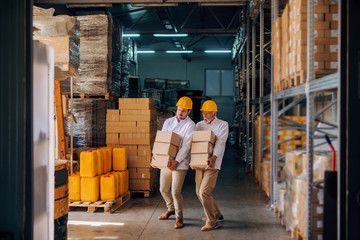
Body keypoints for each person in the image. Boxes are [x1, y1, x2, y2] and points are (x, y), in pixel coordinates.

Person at [151, 96, 195, 229]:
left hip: (180, 163)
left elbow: (186, 146)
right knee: (163, 189)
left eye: (183, 111)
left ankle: (179, 217)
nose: (180, 113)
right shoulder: (168, 122)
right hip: (166, 161)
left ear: (189, 112)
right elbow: (162, 141)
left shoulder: (190, 125)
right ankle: (171, 209)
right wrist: (155, 157)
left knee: (175, 191)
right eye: (179, 109)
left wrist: (177, 161)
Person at [191, 100, 229, 231]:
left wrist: (214, 157)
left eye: (208, 113)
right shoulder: (199, 125)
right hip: (200, 162)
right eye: (204, 113)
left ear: (215, 113)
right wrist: (193, 160)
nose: (205, 115)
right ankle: (217, 214)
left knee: (204, 191)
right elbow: (195, 142)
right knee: (198, 192)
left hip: (213, 162)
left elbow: (220, 142)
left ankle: (211, 221)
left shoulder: (223, 124)